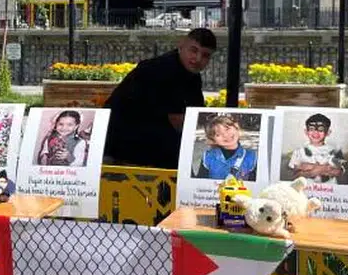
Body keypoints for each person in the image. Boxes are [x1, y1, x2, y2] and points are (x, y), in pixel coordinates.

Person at [104, 29, 216, 168]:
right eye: (193, 50)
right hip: (127, 149)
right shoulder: (161, 69)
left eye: (205, 55)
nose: (198, 58)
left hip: (148, 144)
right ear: (181, 45)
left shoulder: (191, 75)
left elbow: (195, 117)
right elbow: (180, 121)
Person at [288, 114, 346, 184]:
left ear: (328, 132)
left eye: (321, 130)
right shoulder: (299, 151)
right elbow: (295, 175)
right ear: (306, 132)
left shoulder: (335, 150)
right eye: (311, 129)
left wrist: (310, 167)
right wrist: (320, 170)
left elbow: (339, 172)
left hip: (330, 190)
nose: (315, 132)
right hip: (306, 189)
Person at [198, 114, 256, 180]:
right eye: (218, 134)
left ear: (236, 128)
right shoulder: (208, 157)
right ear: (213, 140)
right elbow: (200, 184)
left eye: (227, 129)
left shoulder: (252, 157)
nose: (225, 135)